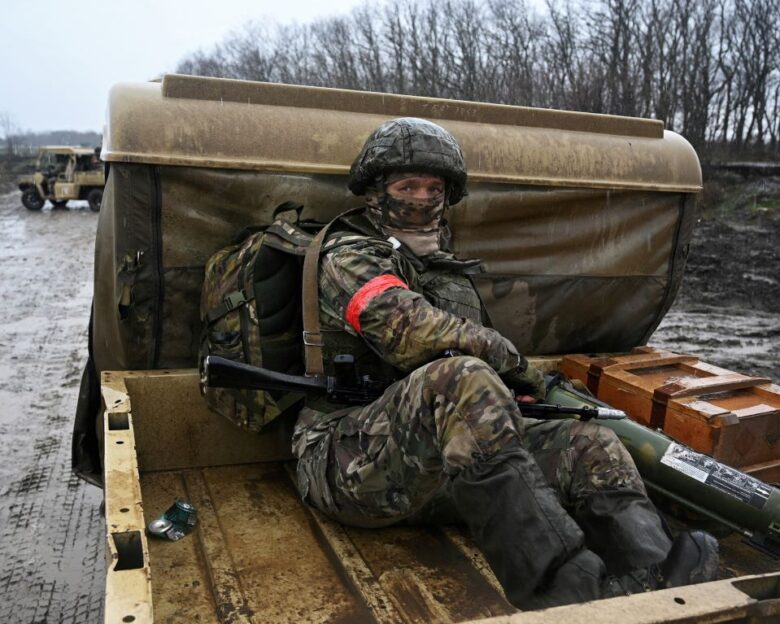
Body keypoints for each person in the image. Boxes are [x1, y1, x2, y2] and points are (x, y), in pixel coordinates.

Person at [292, 117, 719, 610]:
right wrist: (507, 358)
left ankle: (660, 582)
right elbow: (407, 331)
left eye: (434, 188)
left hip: (432, 470)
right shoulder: (349, 256)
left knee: (585, 438)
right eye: (407, 186)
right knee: (462, 379)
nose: (422, 198)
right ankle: (567, 597)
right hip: (346, 462)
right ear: (375, 192)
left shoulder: (441, 266)